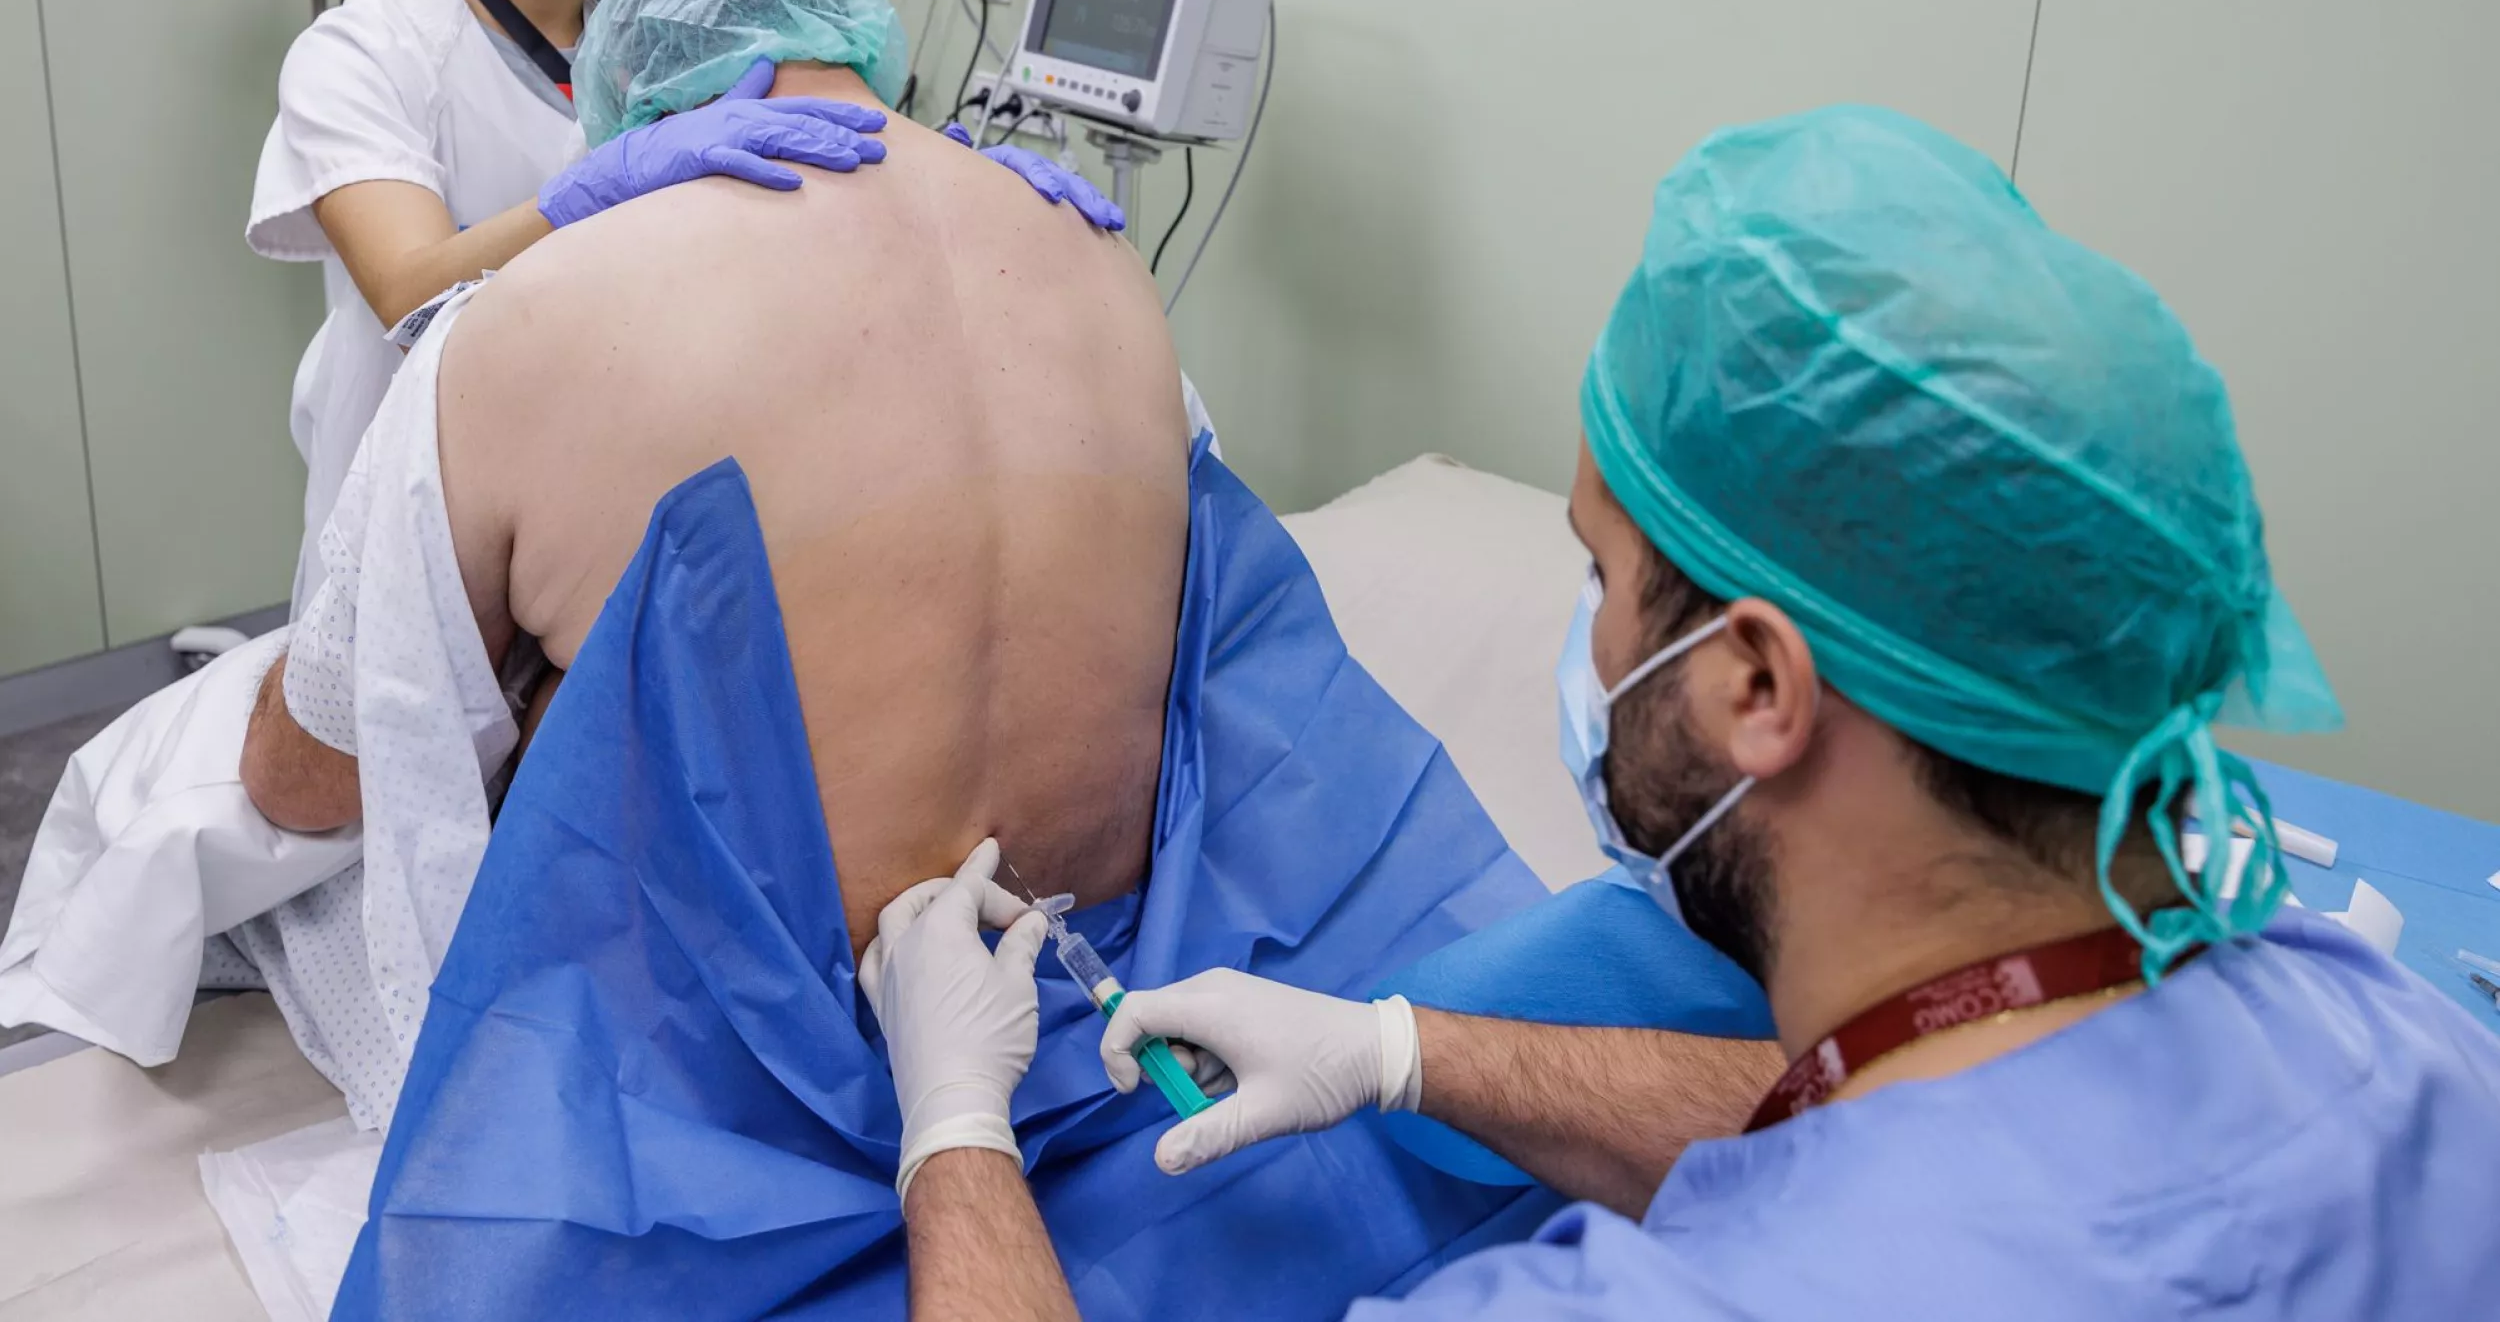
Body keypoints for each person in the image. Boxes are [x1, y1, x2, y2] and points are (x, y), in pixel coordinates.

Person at [869, 106, 2500, 1319]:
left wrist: (953, 1133)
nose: (1582, 639)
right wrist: (1398, 1051)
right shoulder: (2397, 1048)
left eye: (1597, 575)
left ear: (1756, 688)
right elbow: (1910, 1140)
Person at [239, 0, 1190, 976]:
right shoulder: (1104, 261)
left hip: (747, 1026)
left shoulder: (544, 311)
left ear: (640, 96)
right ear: (861, 49)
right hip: (1085, 976)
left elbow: (318, 769)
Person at [246, 0, 893, 617]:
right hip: (418, 527)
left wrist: (939, 183)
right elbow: (409, 292)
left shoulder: (670, 31)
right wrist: (595, 191)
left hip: (605, 516)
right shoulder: (366, 51)